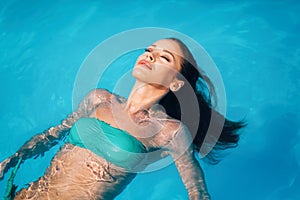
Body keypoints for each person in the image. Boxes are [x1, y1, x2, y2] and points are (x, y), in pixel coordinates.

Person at [0, 38, 245, 199]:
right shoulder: (99, 98)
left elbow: (196, 190)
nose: (150, 55)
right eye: (150, 50)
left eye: (164, 58)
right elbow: (55, 134)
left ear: (176, 82)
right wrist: (12, 160)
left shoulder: (169, 132)